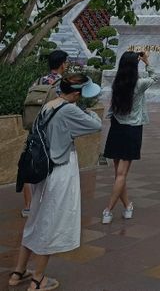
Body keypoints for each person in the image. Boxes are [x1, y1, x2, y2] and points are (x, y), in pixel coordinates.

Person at [10, 73, 102, 291]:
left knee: (35, 219)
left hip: (42, 170)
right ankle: (38, 280)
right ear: (77, 93)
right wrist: (88, 111)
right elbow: (95, 125)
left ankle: (18, 272)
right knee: (50, 223)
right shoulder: (69, 110)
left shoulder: (49, 105)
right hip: (60, 170)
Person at [102, 50, 155, 224]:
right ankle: (108, 210)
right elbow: (155, 77)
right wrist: (147, 62)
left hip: (117, 128)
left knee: (118, 173)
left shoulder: (117, 83)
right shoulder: (138, 84)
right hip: (132, 129)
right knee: (121, 174)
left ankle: (128, 206)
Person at [21, 50, 69, 219]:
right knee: (49, 167)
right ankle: (45, 206)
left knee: (29, 164)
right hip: (49, 133)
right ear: (62, 63)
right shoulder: (61, 84)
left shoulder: (38, 81)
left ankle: (27, 206)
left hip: (33, 129)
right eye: (66, 62)